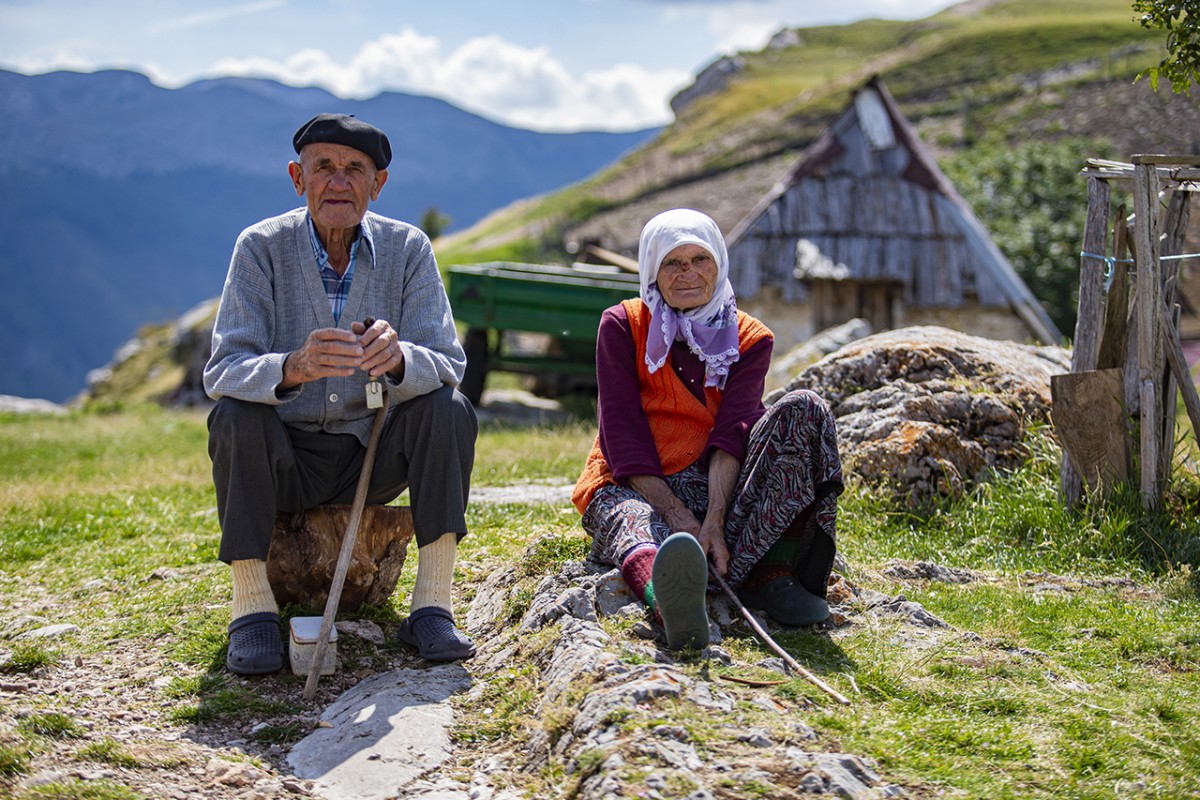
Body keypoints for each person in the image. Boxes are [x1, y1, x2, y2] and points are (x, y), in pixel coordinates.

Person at [205, 113, 478, 674]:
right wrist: (292, 367)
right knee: (235, 415)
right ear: (296, 177)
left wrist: (402, 358)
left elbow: (449, 360)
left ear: (377, 185)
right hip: (284, 457)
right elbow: (223, 370)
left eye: (355, 169)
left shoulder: (409, 249)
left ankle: (432, 606)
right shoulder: (259, 247)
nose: (337, 182)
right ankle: (252, 609)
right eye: (322, 167)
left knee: (448, 409)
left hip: (372, 453)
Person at [572, 208, 844, 649]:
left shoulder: (751, 337)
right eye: (672, 263)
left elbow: (733, 432)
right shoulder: (622, 325)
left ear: (719, 264)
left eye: (701, 260)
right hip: (634, 482)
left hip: (718, 480)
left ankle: (774, 573)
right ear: (651, 271)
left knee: (803, 407)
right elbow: (622, 435)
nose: (688, 274)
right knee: (635, 524)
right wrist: (679, 517)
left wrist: (713, 522)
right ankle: (673, 604)